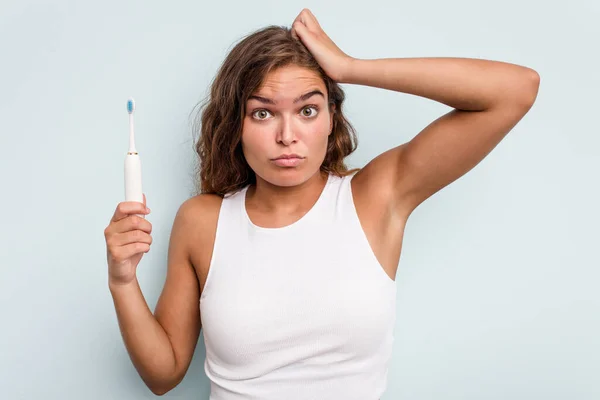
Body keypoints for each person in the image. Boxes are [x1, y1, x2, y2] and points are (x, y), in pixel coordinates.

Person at [104, 8, 540, 399]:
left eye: (307, 110)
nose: (287, 135)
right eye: (263, 113)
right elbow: (163, 376)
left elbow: (516, 89)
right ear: (235, 125)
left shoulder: (374, 196)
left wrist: (349, 67)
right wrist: (123, 281)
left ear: (332, 118)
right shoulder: (202, 221)